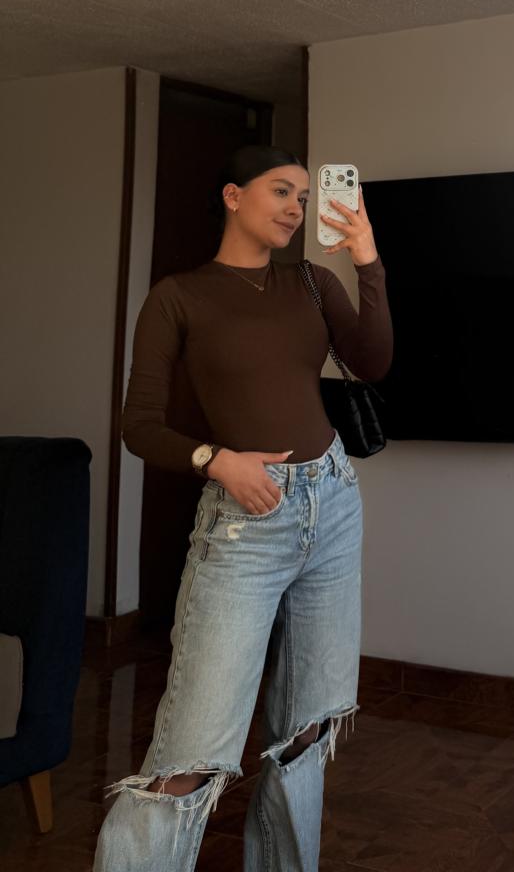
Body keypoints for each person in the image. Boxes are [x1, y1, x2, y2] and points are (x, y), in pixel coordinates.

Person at [93, 145, 392, 872]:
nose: (295, 207)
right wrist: (216, 459)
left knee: (305, 734)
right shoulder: (178, 296)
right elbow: (139, 426)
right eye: (281, 191)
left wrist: (366, 259)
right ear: (233, 195)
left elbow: (375, 361)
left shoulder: (313, 282)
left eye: (303, 196)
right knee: (192, 753)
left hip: (333, 504)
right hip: (242, 525)